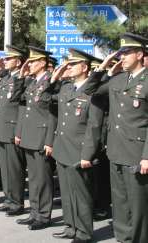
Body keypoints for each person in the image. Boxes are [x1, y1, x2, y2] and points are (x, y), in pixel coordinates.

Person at [82, 33, 148, 243]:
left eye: (127, 53)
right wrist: (104, 67)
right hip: (116, 150)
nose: (123, 57)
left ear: (139, 54)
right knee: (119, 201)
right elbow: (89, 89)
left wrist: (147, 156)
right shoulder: (117, 79)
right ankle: (123, 237)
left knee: (138, 204)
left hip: (137, 153)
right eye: (120, 53)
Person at [49, 49, 106, 243]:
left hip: (79, 150)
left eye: (73, 64)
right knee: (66, 192)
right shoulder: (66, 88)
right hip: (62, 148)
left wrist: (87, 155)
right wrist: (56, 75)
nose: (69, 67)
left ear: (84, 67)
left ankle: (84, 232)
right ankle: (70, 226)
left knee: (81, 194)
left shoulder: (94, 92)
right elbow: (46, 97)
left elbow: (94, 126)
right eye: (68, 64)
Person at [15, 46, 56, 230]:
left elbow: (52, 114)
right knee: (32, 178)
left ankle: (44, 215)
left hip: (41, 136)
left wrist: (49, 141)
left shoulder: (50, 82)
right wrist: (22, 76)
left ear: (42, 63)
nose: (29, 65)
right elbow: (21, 103)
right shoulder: (31, 82)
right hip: (30, 135)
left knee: (43, 178)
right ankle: (34, 212)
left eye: (32, 62)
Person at [0, 45, 27, 216]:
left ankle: (17, 202)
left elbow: (18, 96)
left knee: (14, 169)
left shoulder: (22, 79)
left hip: (12, 129)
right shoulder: (5, 78)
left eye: (9, 59)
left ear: (18, 62)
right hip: (1, 129)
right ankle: (8, 199)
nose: (5, 61)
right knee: (4, 169)